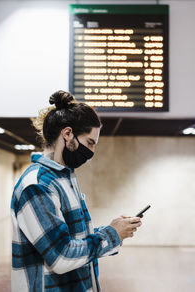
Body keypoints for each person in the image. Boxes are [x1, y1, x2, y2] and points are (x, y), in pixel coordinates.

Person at [11, 90, 142, 292]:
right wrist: (111, 234)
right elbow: (61, 256)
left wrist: (115, 230)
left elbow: (73, 240)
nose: (91, 152)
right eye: (90, 142)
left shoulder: (65, 177)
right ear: (67, 134)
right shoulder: (37, 185)